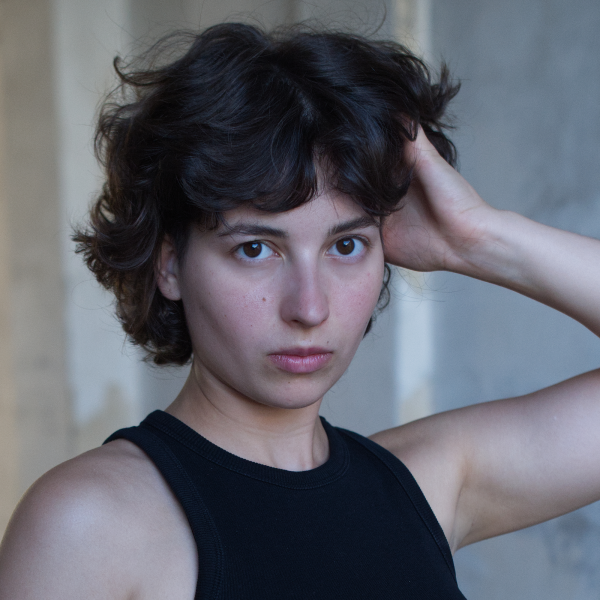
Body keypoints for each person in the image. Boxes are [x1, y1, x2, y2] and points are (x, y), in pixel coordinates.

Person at [0, 21, 599, 599]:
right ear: (170, 265)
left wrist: (480, 238)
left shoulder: (426, 483)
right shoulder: (89, 525)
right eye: (255, 249)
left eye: (346, 246)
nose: (309, 307)